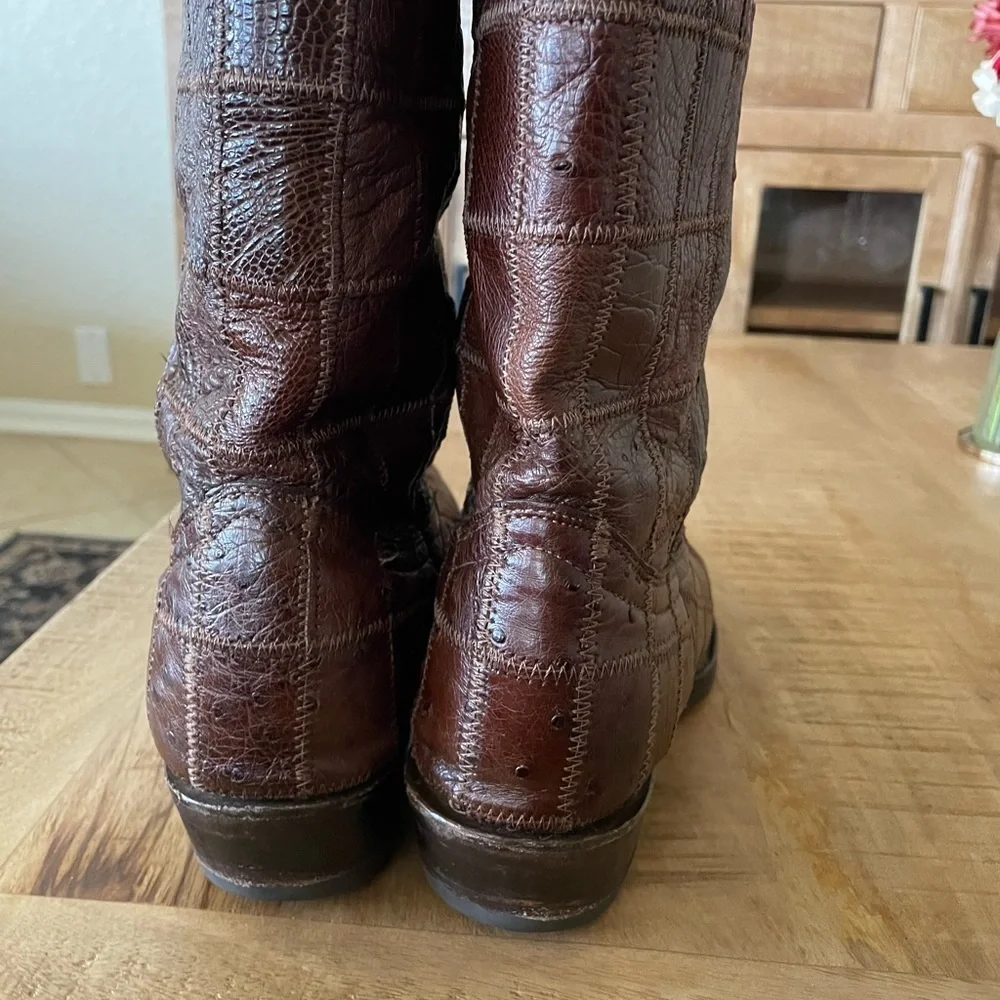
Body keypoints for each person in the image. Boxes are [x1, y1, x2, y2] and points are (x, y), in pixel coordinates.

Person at [147, 0, 753, 929]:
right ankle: (566, 587)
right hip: (562, 675)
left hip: (234, 636)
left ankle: (263, 572)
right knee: (570, 467)